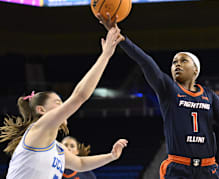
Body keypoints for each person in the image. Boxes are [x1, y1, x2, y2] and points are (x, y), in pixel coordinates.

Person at [98, 13, 219, 179]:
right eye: (174, 62)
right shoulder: (169, 89)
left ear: (195, 70)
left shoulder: (209, 95)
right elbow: (146, 62)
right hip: (178, 168)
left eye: (183, 61)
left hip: (207, 168)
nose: (177, 64)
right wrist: (123, 40)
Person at [0, 27, 128, 179]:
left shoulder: (57, 147)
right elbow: (79, 96)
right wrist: (105, 56)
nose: (63, 107)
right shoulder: (39, 128)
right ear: (41, 110)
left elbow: (80, 163)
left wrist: (111, 156)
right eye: (57, 102)